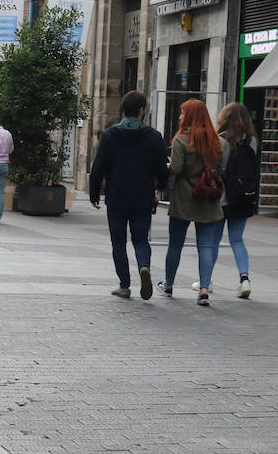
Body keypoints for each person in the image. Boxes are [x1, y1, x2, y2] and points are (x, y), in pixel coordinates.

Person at [88, 90, 169, 299]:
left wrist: (94, 192)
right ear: (142, 110)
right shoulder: (154, 136)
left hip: (116, 196)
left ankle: (124, 285)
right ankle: (144, 267)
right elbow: (162, 168)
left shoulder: (110, 135)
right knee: (141, 239)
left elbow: (99, 166)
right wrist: (159, 187)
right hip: (143, 195)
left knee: (118, 241)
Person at [162, 98, 229, 306]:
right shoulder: (216, 142)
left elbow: (177, 169)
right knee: (206, 246)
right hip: (208, 198)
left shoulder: (182, 140)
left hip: (183, 199)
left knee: (175, 244)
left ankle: (169, 284)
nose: (180, 116)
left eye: (182, 113)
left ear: (189, 116)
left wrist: (169, 165)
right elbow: (221, 169)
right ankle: (204, 290)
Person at [213, 102, 260, 298]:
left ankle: (205, 280)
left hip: (223, 198)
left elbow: (216, 169)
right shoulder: (252, 141)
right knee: (237, 239)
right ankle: (244, 279)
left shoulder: (221, 140)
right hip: (244, 198)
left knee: (213, 241)